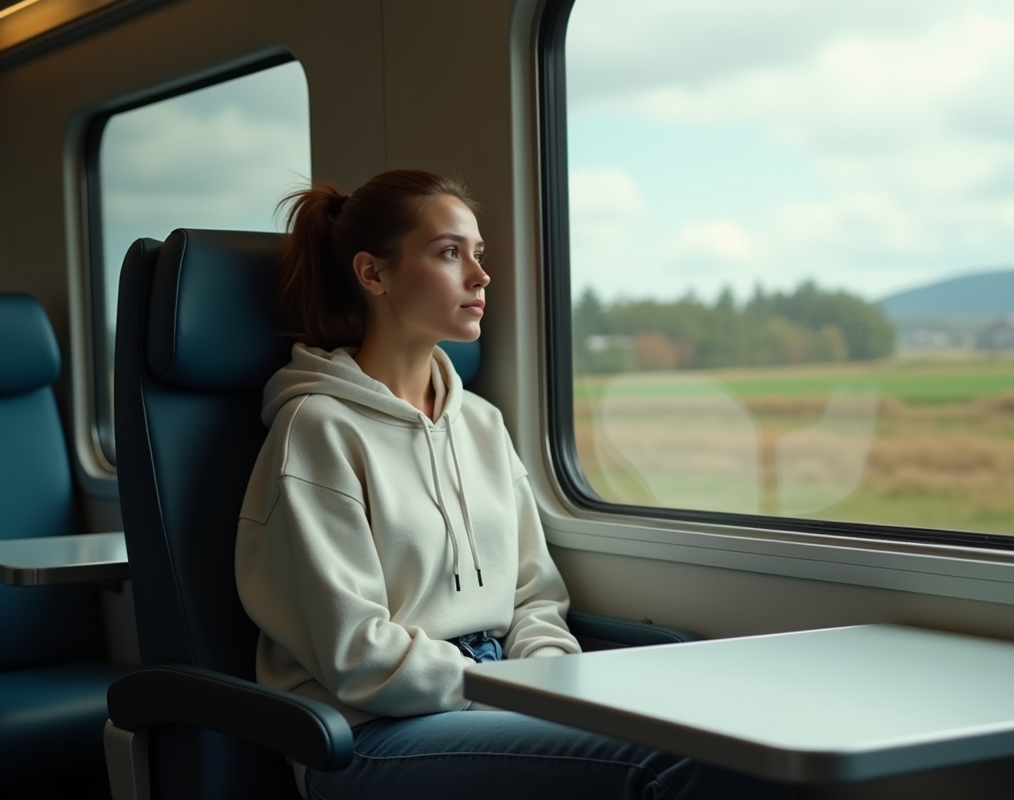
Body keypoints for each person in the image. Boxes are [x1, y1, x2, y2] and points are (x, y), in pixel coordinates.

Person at [235, 169, 794, 800]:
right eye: (449, 252)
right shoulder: (316, 430)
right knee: (683, 765)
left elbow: (534, 595)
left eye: (479, 253)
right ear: (374, 274)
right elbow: (357, 655)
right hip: (367, 735)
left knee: (744, 740)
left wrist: (549, 682)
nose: (480, 275)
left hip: (491, 698)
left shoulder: (481, 421)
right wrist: (506, 692)